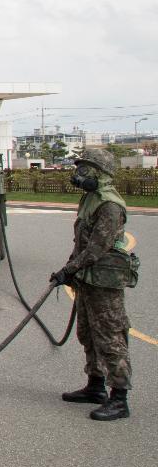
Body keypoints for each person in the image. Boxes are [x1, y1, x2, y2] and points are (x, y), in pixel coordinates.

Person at [52, 148, 139, 421]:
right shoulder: (90, 199)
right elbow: (81, 242)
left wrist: (69, 269)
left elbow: (97, 249)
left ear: (100, 173)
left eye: (84, 169)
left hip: (104, 279)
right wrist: (69, 266)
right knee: (88, 333)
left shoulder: (109, 205)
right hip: (87, 277)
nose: (78, 175)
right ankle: (95, 386)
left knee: (110, 337)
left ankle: (119, 398)